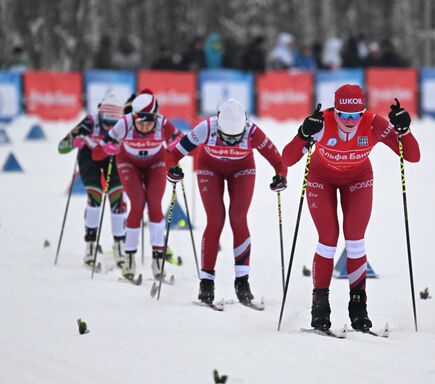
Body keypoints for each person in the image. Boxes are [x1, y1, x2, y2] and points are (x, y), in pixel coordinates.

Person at [282, 84, 420, 332]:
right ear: (335, 111)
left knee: (355, 240)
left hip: (358, 179)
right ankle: (320, 306)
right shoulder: (321, 122)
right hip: (320, 179)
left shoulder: (373, 123)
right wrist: (304, 133)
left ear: (363, 112)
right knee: (328, 239)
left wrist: (404, 130)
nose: (349, 121)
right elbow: (287, 158)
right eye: (343, 115)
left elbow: (412, 155)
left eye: (355, 115)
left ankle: (358, 307)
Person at [167, 99, 288, 304]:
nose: (231, 141)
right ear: (219, 127)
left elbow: (278, 160)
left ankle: (242, 280)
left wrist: (280, 176)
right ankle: (206, 282)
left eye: (236, 137)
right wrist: (173, 168)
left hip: (242, 170)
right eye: (226, 137)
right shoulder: (206, 128)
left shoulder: (252, 131)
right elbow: (173, 153)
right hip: (210, 169)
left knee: (238, 218)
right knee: (215, 220)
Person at [99, 89, 183, 281]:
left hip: (155, 163)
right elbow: (105, 143)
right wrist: (109, 147)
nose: (145, 127)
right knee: (137, 204)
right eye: (140, 122)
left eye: (149, 122)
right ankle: (129, 258)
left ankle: (158, 259)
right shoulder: (126, 122)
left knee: (154, 204)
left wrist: (174, 151)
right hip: (129, 162)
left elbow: (181, 141)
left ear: (156, 117)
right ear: (134, 117)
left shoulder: (162, 123)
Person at [57, 93, 126, 269]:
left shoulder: (125, 125)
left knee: (117, 197)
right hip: (90, 157)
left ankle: (120, 244)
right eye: (106, 122)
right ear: (99, 115)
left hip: (112, 157)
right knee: (95, 195)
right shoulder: (89, 122)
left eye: (114, 124)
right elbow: (61, 148)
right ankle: (90, 244)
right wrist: (75, 141)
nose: (110, 127)